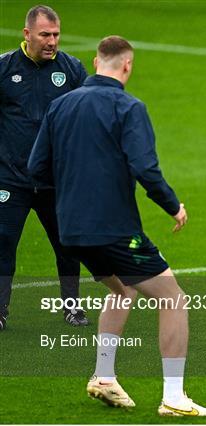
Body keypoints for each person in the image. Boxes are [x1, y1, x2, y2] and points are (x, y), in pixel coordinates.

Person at [28, 35, 206, 417]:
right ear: (127, 66)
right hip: (113, 229)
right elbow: (145, 167)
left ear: (95, 62)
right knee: (173, 299)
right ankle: (174, 398)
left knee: (122, 289)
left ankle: (103, 376)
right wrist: (172, 205)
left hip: (71, 230)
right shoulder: (128, 106)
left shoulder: (61, 106)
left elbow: (36, 168)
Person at [0, 5, 88, 330]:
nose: (52, 41)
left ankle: (72, 307)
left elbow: (88, 116)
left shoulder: (72, 70)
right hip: (11, 179)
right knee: (3, 242)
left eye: (56, 34)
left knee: (67, 246)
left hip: (56, 181)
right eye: (45, 35)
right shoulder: (4, 69)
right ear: (27, 34)